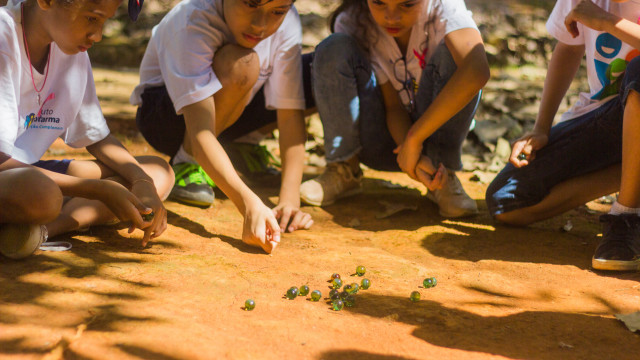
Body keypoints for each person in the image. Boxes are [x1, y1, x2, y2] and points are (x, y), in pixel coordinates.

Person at [130, 0, 313, 254]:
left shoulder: (288, 18)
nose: (260, 24)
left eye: (277, 12)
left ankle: (241, 146)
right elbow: (201, 132)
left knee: (315, 71)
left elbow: (290, 113)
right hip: (167, 118)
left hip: (230, 111)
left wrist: (289, 200)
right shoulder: (193, 20)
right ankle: (186, 161)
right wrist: (248, 204)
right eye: (250, 4)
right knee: (244, 63)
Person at [0, 0, 174, 259]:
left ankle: (36, 233)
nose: (98, 35)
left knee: (158, 172)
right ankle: (36, 216)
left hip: (27, 172)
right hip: (16, 175)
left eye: (105, 21)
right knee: (42, 195)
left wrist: (141, 181)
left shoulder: (70, 49)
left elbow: (97, 136)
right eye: (92, 19)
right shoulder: (4, 38)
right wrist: (96, 189)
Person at [486, 0, 640, 271]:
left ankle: (625, 217)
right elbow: (568, 49)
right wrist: (541, 128)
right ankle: (631, 175)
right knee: (506, 201)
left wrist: (606, 21)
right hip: (609, 117)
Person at [299, 0, 489, 218]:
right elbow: (393, 106)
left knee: (458, 54)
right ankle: (344, 170)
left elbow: (477, 71)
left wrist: (415, 139)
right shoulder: (356, 20)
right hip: (387, 142)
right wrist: (410, 152)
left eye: (406, 4)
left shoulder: (444, 7)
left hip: (432, 138)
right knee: (333, 46)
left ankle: (440, 175)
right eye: (379, 3)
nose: (391, 17)